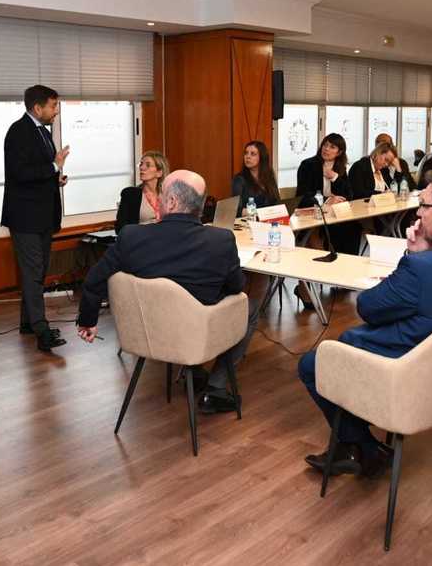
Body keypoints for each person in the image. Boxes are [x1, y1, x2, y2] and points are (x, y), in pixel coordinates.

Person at [298, 166, 432, 477]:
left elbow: (367, 307)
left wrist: (414, 255)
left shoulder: (425, 268)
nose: (418, 213)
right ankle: (355, 446)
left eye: (424, 205)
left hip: (403, 374)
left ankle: (361, 446)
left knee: (313, 363)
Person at [77, 170, 256, 414]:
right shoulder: (221, 240)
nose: (159, 200)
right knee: (248, 308)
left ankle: (193, 372)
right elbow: (236, 286)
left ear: (171, 202)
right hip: (198, 332)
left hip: (146, 330)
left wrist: (88, 321)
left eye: (161, 195)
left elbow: (95, 279)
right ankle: (215, 387)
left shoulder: (131, 237)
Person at [1, 84, 69, 352]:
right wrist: (53, 166)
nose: (56, 111)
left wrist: (56, 178)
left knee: (37, 272)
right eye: (53, 106)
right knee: (33, 274)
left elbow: (37, 172)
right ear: (37, 108)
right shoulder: (18, 132)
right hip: (25, 217)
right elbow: (19, 173)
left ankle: (28, 323)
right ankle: (42, 331)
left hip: (42, 215)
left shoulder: (43, 132)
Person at [295, 134, 361, 256]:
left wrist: (335, 177)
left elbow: (349, 195)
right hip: (313, 211)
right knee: (334, 229)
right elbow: (303, 194)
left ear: (339, 152)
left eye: (332, 147)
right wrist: (327, 199)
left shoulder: (340, 167)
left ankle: (347, 261)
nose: (326, 149)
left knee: (353, 227)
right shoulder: (308, 165)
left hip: (334, 212)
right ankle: (333, 259)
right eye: (325, 145)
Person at [115, 151, 169, 233]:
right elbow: (120, 228)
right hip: (141, 241)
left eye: (147, 165)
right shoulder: (130, 194)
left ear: (159, 173)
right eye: (141, 164)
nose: (142, 168)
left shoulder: (169, 194)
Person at [231, 140, 281, 215]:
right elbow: (236, 209)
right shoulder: (239, 179)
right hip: (249, 221)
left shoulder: (269, 176)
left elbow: (277, 202)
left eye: (253, 154)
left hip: (269, 219)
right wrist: (259, 213)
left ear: (262, 157)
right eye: (246, 153)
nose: (248, 157)